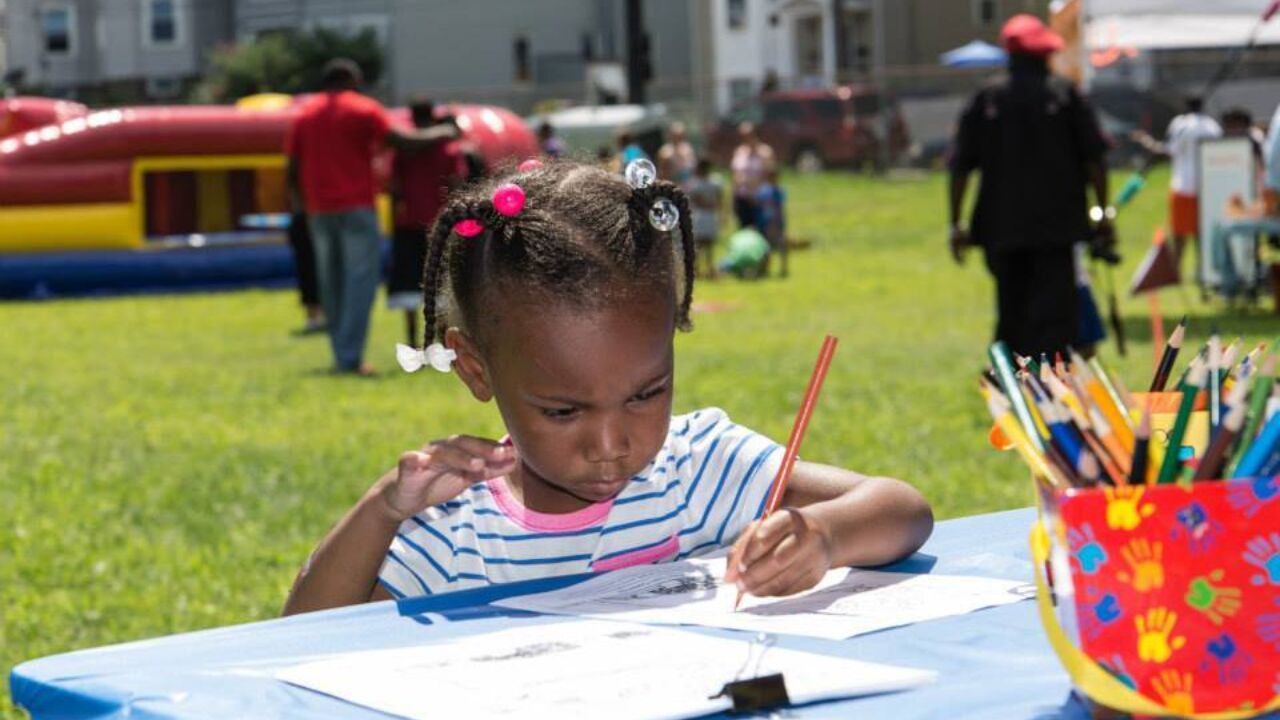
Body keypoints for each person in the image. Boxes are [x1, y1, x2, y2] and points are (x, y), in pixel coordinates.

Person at [282, 161, 933, 613]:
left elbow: (902, 509)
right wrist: (383, 509)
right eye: (564, 411)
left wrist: (821, 535)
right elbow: (303, 635)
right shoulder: (459, 534)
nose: (611, 444)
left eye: (646, 394)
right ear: (476, 369)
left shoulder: (696, 469)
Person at [948, 14, 1113, 359]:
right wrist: (1103, 214)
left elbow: (960, 167)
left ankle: (1015, 383)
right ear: (1046, 54)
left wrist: (956, 223)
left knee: (1012, 315)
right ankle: (1053, 383)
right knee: (1057, 319)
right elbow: (1095, 160)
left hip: (1001, 229)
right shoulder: (1064, 94)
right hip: (1057, 229)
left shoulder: (987, 98)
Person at [285, 58, 457, 376]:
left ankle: (341, 353)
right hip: (356, 207)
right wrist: (443, 131)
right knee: (358, 283)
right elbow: (404, 141)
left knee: (330, 283)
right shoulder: (363, 108)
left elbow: (292, 168)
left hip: (318, 211)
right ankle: (350, 358)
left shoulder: (305, 114)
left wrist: (301, 208)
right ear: (353, 81)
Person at [387, 98, 467, 347]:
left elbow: (394, 189)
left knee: (407, 286)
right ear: (433, 115)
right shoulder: (449, 148)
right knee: (442, 285)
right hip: (440, 224)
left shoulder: (402, 150)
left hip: (407, 224)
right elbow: (457, 186)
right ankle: (442, 343)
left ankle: (412, 342)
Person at [1132, 97, 1223, 265]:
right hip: (1207, 188)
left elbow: (1166, 151)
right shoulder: (1213, 126)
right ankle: (1204, 271)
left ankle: (1176, 271)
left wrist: (1145, 140)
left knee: (1179, 237)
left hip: (1183, 187)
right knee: (1202, 235)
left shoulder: (1181, 124)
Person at [285, 210, 326, 335]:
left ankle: (320, 318)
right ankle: (314, 319)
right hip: (309, 219)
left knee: (316, 273)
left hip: (320, 217)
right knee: (309, 273)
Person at [730, 122, 775, 230]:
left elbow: (770, 175)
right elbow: (734, 175)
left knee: (761, 228)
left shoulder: (765, 152)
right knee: (744, 228)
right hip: (742, 197)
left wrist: (753, 185)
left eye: (749, 135)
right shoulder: (739, 151)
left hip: (760, 198)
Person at [686, 157, 724, 278]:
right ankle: (707, 269)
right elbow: (719, 199)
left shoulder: (695, 183)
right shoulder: (715, 181)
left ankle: (700, 269)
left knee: (701, 244)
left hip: (701, 215)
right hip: (708, 214)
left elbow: (694, 199)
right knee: (707, 245)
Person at [755, 168, 787, 278]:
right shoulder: (762, 191)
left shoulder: (779, 190)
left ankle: (783, 269)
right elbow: (759, 206)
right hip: (765, 222)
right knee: (765, 247)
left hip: (777, 222)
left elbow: (780, 207)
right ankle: (764, 268)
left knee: (781, 245)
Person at [657, 122, 697, 187]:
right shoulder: (665, 153)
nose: (678, 138)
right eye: (676, 136)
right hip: (675, 187)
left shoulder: (688, 148)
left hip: (691, 185)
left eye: (681, 136)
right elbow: (662, 174)